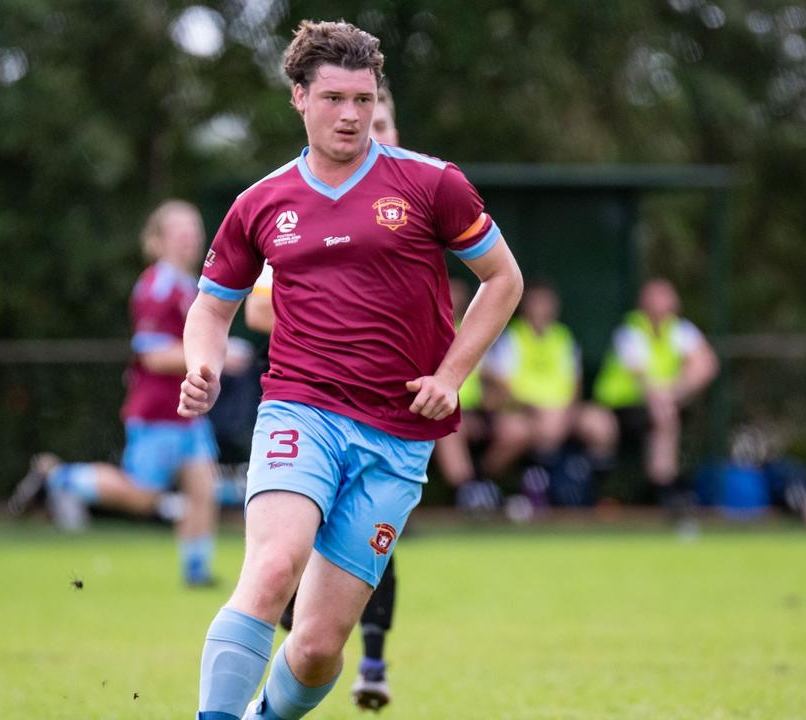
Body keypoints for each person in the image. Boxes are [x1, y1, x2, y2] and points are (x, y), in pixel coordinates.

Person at [182, 20, 522, 720]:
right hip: (299, 410)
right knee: (274, 567)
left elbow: (503, 280)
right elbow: (212, 308)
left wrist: (451, 375)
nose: (352, 115)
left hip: (398, 435)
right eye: (335, 98)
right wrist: (202, 367)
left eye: (364, 100)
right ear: (299, 97)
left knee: (314, 648)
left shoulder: (432, 184)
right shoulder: (261, 202)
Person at [242, 83, 431, 712]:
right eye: (353, 113)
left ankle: (368, 660)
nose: (365, 127)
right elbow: (256, 305)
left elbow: (475, 289)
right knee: (281, 564)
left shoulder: (420, 197)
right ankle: (265, 661)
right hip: (314, 409)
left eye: (380, 119)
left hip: (395, 423)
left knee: (367, 567)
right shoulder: (298, 206)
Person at [8, 200, 227, 587]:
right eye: (180, 231)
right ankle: (58, 478)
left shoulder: (189, 285)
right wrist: (218, 356)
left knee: (203, 489)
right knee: (142, 496)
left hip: (188, 411)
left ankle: (196, 573)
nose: (191, 238)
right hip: (157, 411)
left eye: (194, 229)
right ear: (158, 241)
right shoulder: (155, 287)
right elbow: (155, 356)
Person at [481, 281, 617, 507]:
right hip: (523, 411)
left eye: (548, 303)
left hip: (561, 413)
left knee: (601, 424)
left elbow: (575, 385)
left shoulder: (563, 337)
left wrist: (565, 412)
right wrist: (534, 409)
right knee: (515, 432)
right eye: (538, 303)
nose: (543, 309)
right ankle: (484, 487)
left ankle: (589, 491)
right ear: (526, 306)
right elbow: (501, 389)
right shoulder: (512, 337)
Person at [593, 278, 719, 519]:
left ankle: (664, 490)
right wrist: (669, 394)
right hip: (622, 409)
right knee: (663, 411)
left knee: (664, 410)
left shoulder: (679, 329)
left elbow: (706, 365)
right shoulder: (630, 330)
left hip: (661, 403)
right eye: (655, 297)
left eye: (665, 297)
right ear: (643, 302)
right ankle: (655, 490)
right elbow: (643, 380)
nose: (660, 304)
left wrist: (675, 390)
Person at [432, 278, 504, 514]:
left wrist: (492, 404)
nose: (456, 298)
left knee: (516, 428)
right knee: (451, 428)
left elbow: (496, 382)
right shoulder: (429, 327)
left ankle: (483, 483)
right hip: (437, 410)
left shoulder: (475, 329)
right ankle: (467, 491)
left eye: (460, 293)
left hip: (478, 411)